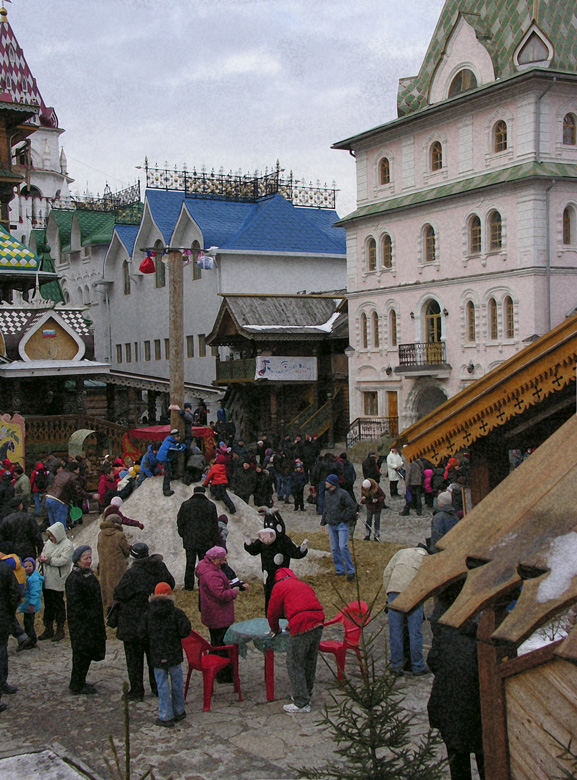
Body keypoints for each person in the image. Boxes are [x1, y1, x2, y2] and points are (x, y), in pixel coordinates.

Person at [427, 586, 485, 780]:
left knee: (458, 764)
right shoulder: (482, 638)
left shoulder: (445, 633)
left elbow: (433, 661)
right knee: (486, 758)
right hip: (479, 710)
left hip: (449, 708)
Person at [113, 542, 175, 702]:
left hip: (133, 621)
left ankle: (137, 690)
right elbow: (170, 584)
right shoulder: (159, 567)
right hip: (155, 618)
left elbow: (119, 593)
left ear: (133, 556)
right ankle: (157, 687)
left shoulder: (132, 573)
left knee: (134, 658)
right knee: (154, 656)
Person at [267, 567, 325, 714]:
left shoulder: (279, 586)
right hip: (318, 621)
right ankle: (306, 693)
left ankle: (301, 702)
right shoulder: (303, 585)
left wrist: (275, 629)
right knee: (309, 660)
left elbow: (272, 612)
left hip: (302, 624)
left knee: (294, 662)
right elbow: (305, 606)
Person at [196, 546, 249, 681]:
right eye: (221, 559)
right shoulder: (211, 574)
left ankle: (213, 669)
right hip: (218, 614)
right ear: (214, 559)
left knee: (216, 642)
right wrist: (234, 591)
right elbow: (220, 595)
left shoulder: (207, 568)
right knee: (222, 644)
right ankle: (222, 673)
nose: (224, 561)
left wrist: (228, 583)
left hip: (211, 612)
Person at [143, 582, 190, 728]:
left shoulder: (148, 614)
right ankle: (179, 710)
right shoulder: (177, 613)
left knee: (161, 685)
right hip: (174, 652)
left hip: (157, 654)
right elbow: (185, 631)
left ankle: (165, 715)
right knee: (177, 682)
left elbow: (142, 633)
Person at [244, 507, 308, 611]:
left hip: (281, 575)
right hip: (267, 575)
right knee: (269, 596)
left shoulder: (283, 540)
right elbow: (254, 550)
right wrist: (248, 543)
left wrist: (302, 549)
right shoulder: (263, 541)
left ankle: (282, 617)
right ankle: (270, 616)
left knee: (281, 596)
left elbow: (294, 553)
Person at [383, 543, 429, 675]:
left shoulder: (401, 552)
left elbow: (387, 572)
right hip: (414, 594)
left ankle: (397, 666)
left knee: (396, 630)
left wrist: (388, 592)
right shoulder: (427, 558)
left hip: (395, 590)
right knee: (415, 632)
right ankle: (418, 666)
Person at [65, 545, 106, 695]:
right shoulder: (74, 579)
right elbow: (76, 605)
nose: (89, 561)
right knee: (81, 653)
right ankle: (76, 684)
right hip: (81, 623)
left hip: (91, 622)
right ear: (77, 560)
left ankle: (80, 680)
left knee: (87, 653)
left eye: (90, 558)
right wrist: (89, 616)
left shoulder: (88, 574)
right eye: (85, 558)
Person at [176, 485, 219, 591]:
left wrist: (184, 535)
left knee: (190, 563)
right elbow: (215, 524)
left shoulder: (186, 505)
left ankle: (188, 586)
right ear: (204, 493)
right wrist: (213, 539)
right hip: (206, 541)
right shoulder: (211, 505)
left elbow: (180, 521)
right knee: (205, 564)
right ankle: (204, 585)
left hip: (190, 539)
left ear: (193, 493)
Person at [37, 522, 74, 642]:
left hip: (58, 579)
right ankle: (48, 628)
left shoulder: (67, 545)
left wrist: (49, 560)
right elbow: (44, 553)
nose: (50, 539)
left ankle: (60, 629)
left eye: (52, 536)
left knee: (58, 604)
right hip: (47, 578)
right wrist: (42, 559)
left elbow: (64, 560)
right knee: (48, 605)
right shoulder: (49, 543)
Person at [321, 474, 357, 581]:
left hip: (341, 525)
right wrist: (323, 522)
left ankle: (350, 570)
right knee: (334, 548)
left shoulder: (343, 494)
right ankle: (340, 569)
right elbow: (325, 509)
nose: (325, 483)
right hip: (331, 525)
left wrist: (344, 518)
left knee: (342, 546)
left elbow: (352, 507)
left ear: (333, 483)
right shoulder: (327, 494)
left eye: (327, 481)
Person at [46, 461, 98, 528]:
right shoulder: (73, 477)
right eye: (78, 469)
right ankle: (60, 537)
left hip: (49, 498)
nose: (79, 471)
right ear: (75, 469)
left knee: (52, 525)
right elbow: (79, 490)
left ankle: (52, 537)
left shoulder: (61, 473)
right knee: (60, 526)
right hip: (59, 500)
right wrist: (91, 496)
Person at [0, 555, 21, 710]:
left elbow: (14, 593)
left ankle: (2, 683)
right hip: (3, 616)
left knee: (2, 652)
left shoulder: (4, 569)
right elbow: (15, 593)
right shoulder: (5, 568)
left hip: (2, 617)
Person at [97, 513, 130, 609]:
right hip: (118, 567)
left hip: (105, 566)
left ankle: (108, 607)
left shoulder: (100, 535)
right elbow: (126, 551)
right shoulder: (119, 535)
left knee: (107, 586)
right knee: (118, 587)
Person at [17, 557, 43, 650]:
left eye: (30, 566)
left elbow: (35, 594)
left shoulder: (34, 579)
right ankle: (30, 640)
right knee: (27, 623)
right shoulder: (27, 577)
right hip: (27, 604)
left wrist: (32, 604)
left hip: (31, 605)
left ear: (34, 566)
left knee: (29, 624)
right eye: (26, 566)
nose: (27, 568)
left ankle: (32, 641)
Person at [157, 430, 186, 497]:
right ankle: (166, 490)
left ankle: (172, 476)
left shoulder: (168, 439)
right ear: (174, 436)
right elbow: (180, 449)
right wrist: (185, 445)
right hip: (164, 458)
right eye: (177, 436)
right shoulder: (170, 443)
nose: (179, 438)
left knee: (173, 464)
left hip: (165, 457)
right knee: (167, 472)